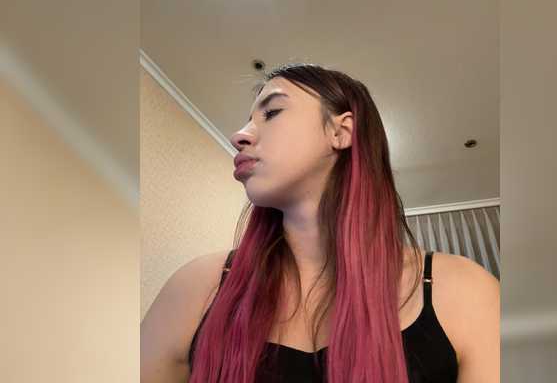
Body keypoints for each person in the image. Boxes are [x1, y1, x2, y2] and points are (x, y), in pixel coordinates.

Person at [141, 63, 500, 382]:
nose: (239, 135)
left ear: (341, 131)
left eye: (272, 112)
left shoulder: (464, 291)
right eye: (248, 120)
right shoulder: (197, 287)